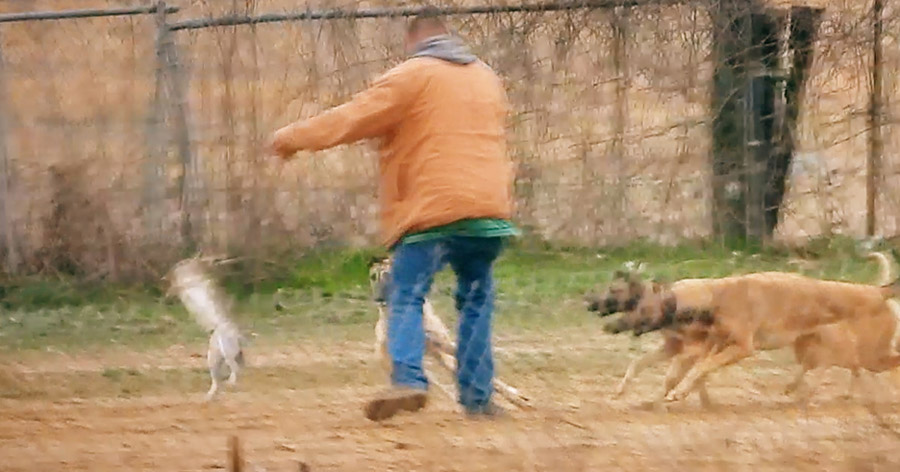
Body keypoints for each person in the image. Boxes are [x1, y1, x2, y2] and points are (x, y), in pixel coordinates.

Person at [268, 7, 517, 421]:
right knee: (476, 299)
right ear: (448, 36)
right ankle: (478, 399)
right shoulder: (486, 78)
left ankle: (409, 381)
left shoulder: (412, 75)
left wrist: (291, 138)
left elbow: (353, 117)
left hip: (430, 211)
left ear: (413, 40)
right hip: (489, 212)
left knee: (406, 294)